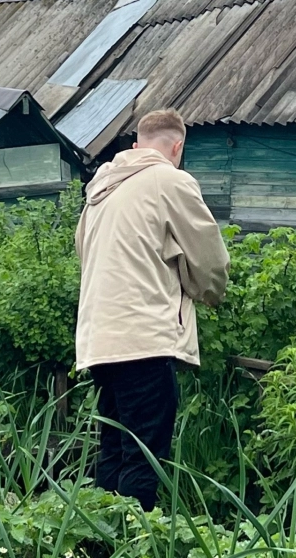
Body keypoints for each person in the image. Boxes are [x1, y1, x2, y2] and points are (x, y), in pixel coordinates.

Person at [74, 108, 230, 511]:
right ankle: (132, 555)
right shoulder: (170, 181)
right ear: (177, 146)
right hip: (144, 337)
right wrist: (208, 293)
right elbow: (209, 257)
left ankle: (98, 541)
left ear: (135, 146)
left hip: (98, 340)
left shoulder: (100, 191)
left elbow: (84, 253)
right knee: (144, 453)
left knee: (115, 447)